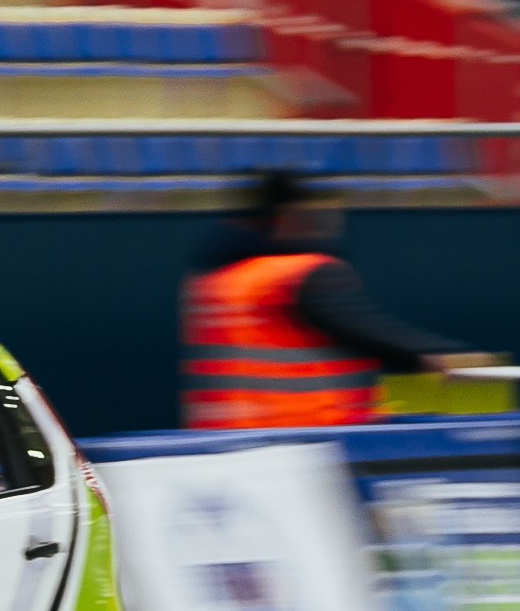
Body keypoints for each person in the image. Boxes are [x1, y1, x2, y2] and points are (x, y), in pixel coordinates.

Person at [182, 171, 494, 429]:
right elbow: (361, 328)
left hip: (223, 444)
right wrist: (434, 357)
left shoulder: (214, 282)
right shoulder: (300, 273)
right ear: (288, 217)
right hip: (307, 440)